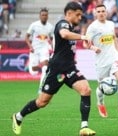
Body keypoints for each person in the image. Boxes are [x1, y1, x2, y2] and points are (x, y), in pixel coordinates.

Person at [12, 2, 96, 136]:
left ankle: (84, 128)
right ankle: (18, 117)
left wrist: (90, 46)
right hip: (57, 70)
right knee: (42, 102)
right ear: (69, 13)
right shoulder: (62, 24)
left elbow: (68, 42)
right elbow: (64, 34)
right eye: (78, 14)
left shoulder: (71, 29)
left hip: (69, 68)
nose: (80, 17)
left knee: (86, 90)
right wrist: (83, 36)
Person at [83, 4, 118, 118]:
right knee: (102, 86)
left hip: (113, 57)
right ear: (95, 13)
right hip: (101, 62)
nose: (101, 13)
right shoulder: (92, 27)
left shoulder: (111, 24)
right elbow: (85, 42)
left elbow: (114, 38)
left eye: (103, 11)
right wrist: (93, 48)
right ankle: (100, 104)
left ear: (106, 12)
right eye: (98, 11)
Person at [25, 7, 53, 94]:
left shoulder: (50, 27)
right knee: (33, 71)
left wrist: (53, 48)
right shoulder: (34, 25)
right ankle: (33, 66)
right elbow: (26, 37)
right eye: (42, 15)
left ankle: (41, 88)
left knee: (45, 68)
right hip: (34, 50)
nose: (44, 16)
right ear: (39, 16)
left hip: (44, 48)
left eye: (45, 15)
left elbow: (51, 39)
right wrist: (30, 46)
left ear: (47, 16)